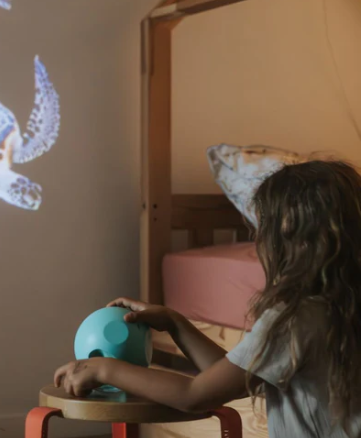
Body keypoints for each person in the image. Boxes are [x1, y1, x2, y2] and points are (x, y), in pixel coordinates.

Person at [54, 160, 361, 437]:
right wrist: (175, 323)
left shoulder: (294, 318)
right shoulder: (339, 309)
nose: (257, 242)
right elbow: (230, 378)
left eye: (262, 230)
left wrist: (104, 369)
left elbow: (195, 395)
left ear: (291, 235)